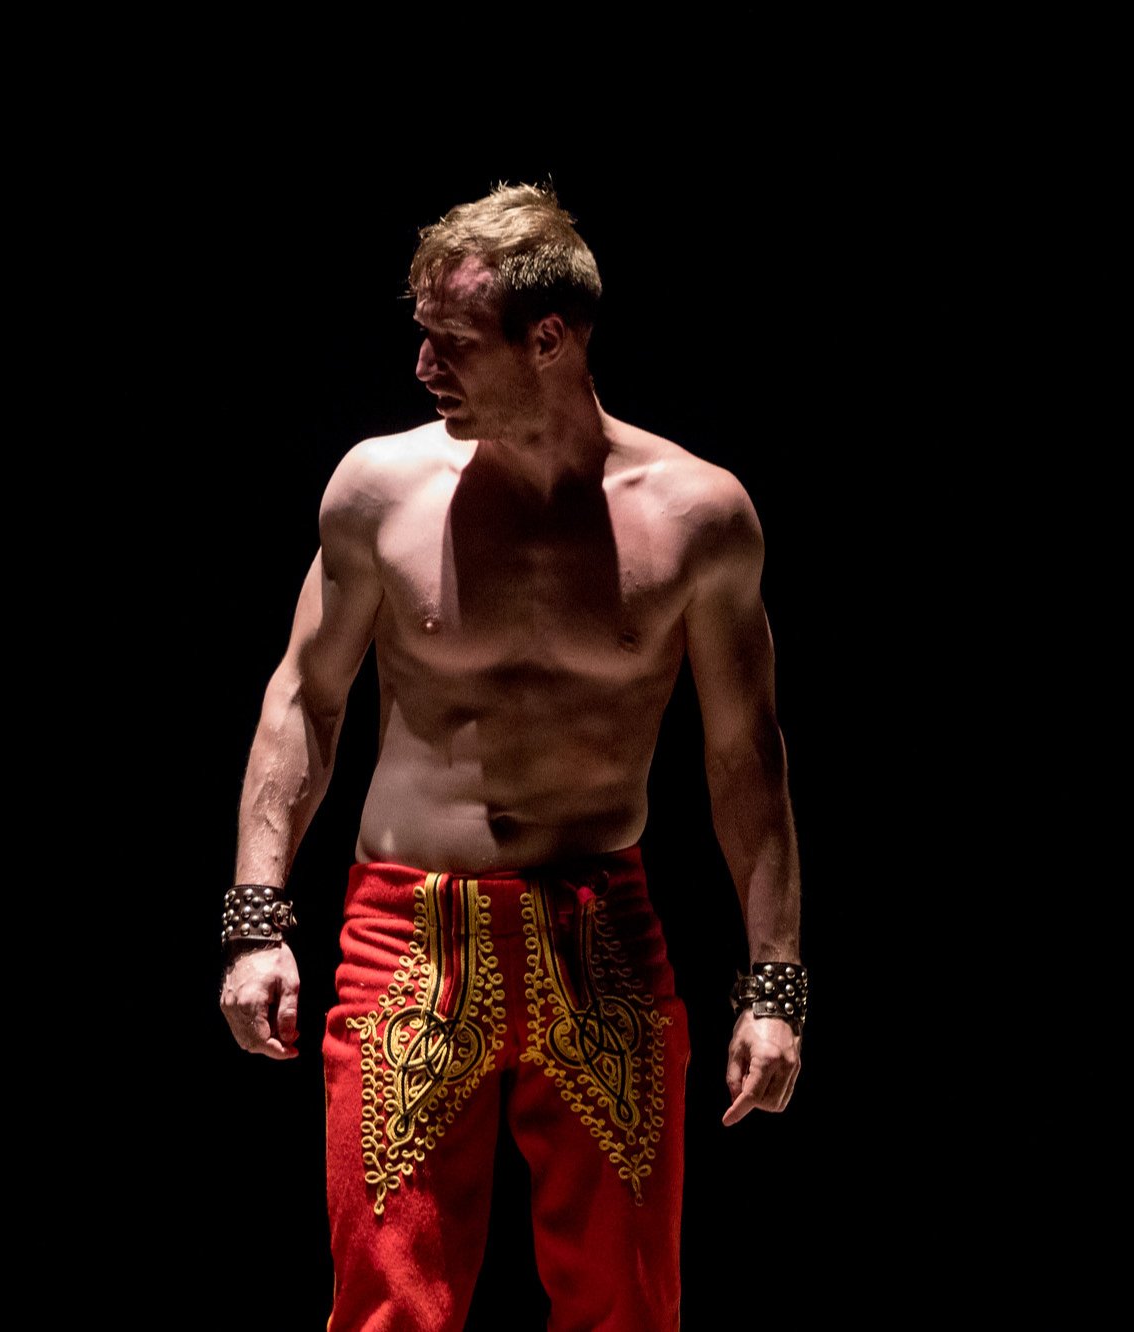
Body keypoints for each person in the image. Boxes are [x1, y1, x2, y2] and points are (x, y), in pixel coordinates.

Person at [217, 183, 805, 1332]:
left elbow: (746, 758)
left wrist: (773, 986)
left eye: (452, 343)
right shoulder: (378, 489)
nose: (423, 367)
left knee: (626, 1305)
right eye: (422, 335)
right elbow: (304, 698)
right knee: (387, 1309)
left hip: (600, 930)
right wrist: (253, 918)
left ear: (548, 338)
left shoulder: (697, 517)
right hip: (406, 931)